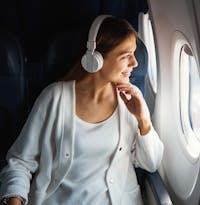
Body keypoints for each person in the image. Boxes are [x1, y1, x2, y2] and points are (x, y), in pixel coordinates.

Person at [0, 15, 164, 205]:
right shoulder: (54, 98)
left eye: (134, 54)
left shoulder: (131, 101)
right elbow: (20, 162)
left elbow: (151, 164)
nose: (135, 63)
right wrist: (14, 200)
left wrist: (143, 119)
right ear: (96, 59)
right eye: (126, 56)